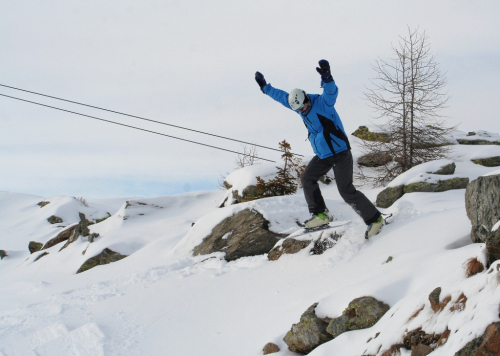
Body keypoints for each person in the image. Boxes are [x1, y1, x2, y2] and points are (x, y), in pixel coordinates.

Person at [255, 59, 383, 238]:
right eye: (298, 110)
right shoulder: (300, 107)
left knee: (346, 191)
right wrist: (265, 88)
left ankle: (375, 219)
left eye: (304, 107)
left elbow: (331, 92)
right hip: (323, 155)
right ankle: (320, 214)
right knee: (307, 178)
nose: (302, 112)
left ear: (307, 99)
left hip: (340, 153)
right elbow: (282, 97)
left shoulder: (323, 103)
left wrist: (327, 77)